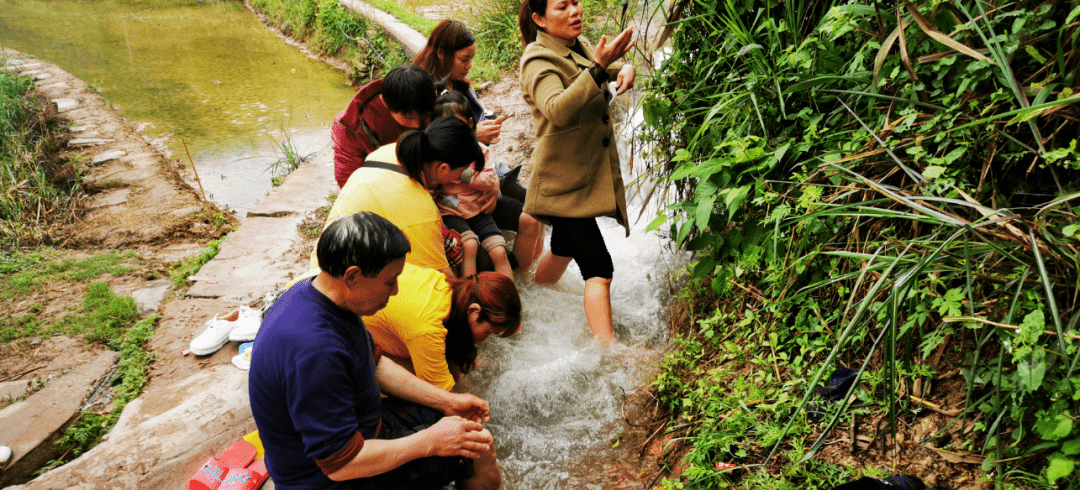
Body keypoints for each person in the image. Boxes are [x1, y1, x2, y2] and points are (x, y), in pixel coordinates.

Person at [249, 212, 501, 490]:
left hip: (364, 429)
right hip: (327, 479)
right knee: (476, 447)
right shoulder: (317, 351)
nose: (394, 292)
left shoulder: (317, 295)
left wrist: (447, 402)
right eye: (389, 281)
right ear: (353, 276)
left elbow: (375, 364)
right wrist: (431, 442)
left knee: (463, 428)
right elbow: (341, 465)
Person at [517, 0, 636, 342]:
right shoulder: (537, 60)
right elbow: (556, 108)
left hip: (579, 179)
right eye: (562, 6)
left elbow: (591, 70)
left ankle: (533, 296)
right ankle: (610, 352)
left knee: (565, 247)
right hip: (561, 186)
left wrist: (622, 67)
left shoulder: (574, 45)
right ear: (539, 18)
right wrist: (600, 67)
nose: (575, 10)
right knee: (599, 268)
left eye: (576, 2)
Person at [306, 115, 487, 280]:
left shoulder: (391, 151)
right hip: (343, 283)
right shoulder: (419, 207)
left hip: (323, 263)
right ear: (443, 169)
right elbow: (444, 278)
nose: (459, 179)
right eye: (461, 172)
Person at [364, 265, 521, 392]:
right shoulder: (428, 329)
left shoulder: (441, 284)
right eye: (488, 332)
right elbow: (446, 399)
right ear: (474, 311)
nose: (484, 338)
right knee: (428, 395)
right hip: (354, 344)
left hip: (374, 308)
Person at [432, 92, 514, 279]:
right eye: (446, 125)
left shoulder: (481, 151)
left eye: (457, 124)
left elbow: (489, 181)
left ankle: (509, 297)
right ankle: (469, 295)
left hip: (478, 211)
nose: (451, 131)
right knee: (469, 246)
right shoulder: (436, 152)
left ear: (469, 124)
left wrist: (463, 174)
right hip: (450, 211)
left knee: (499, 252)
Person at [331, 64, 436, 188]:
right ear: (386, 103)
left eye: (423, 116)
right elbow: (348, 181)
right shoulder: (350, 127)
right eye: (409, 118)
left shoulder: (423, 103)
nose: (417, 125)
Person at [414, 20, 505, 146]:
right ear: (441, 53)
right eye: (464, 59)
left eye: (471, 58)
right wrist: (472, 135)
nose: (469, 66)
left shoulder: (459, 83)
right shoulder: (426, 93)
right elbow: (431, 143)